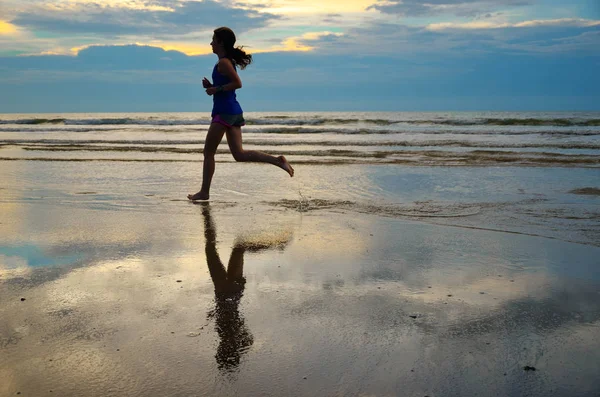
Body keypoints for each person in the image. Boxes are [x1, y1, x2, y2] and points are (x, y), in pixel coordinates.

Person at [188, 27, 294, 202]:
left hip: (224, 112)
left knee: (208, 152)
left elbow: (238, 83)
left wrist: (216, 88)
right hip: (233, 111)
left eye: (213, 40)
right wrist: (212, 86)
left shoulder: (223, 62)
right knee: (239, 155)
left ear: (221, 42)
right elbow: (228, 85)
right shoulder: (225, 62)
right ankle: (277, 160)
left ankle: (204, 192)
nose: (211, 43)